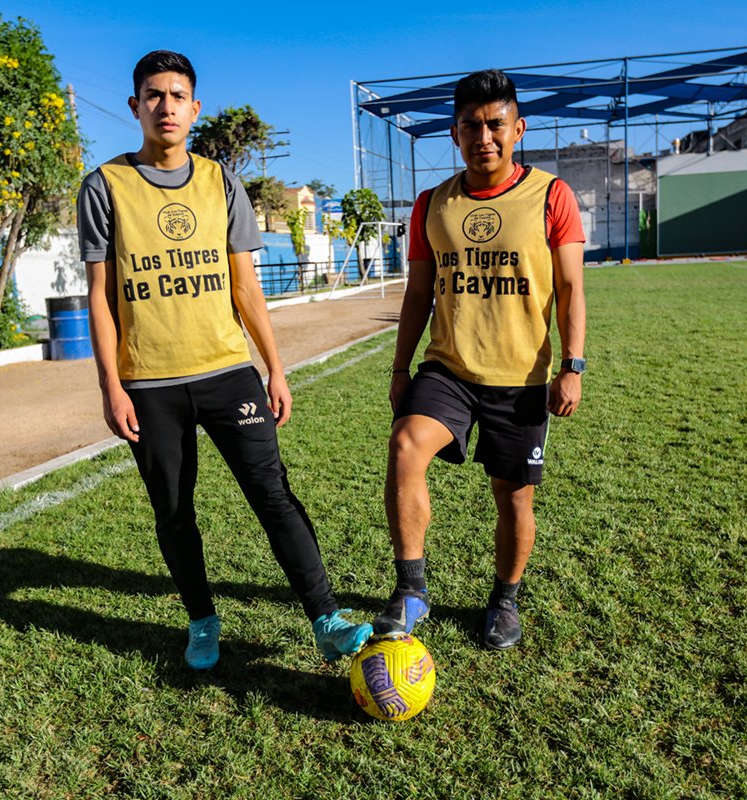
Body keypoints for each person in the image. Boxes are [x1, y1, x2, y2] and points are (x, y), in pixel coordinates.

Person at [77, 50, 372, 670]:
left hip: (227, 372)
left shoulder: (221, 182)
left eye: (176, 95)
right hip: (149, 382)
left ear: (195, 109)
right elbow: (99, 298)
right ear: (135, 106)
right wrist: (110, 385)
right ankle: (201, 621)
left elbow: (246, 287)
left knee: (273, 493)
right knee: (173, 510)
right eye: (153, 95)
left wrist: (275, 366)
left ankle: (325, 618)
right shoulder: (105, 186)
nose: (165, 106)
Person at [374, 69, 587, 649]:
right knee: (405, 446)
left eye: (495, 124)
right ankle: (411, 590)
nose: (483, 137)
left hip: (521, 378)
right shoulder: (432, 204)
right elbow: (419, 293)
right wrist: (400, 369)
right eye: (471, 126)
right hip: (449, 368)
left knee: (513, 496)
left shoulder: (551, 195)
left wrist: (573, 366)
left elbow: (571, 288)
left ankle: (504, 601)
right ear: (454, 133)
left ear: (519, 129)